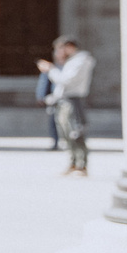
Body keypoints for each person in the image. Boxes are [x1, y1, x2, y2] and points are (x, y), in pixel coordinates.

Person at [37, 36, 95, 177]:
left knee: (75, 132)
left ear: (69, 47)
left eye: (60, 49)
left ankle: (81, 165)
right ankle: (73, 163)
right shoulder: (71, 61)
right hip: (64, 101)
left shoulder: (81, 60)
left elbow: (65, 80)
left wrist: (50, 69)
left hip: (73, 100)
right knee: (66, 134)